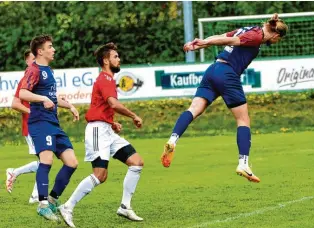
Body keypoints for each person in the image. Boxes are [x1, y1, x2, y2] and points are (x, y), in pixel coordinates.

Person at [161, 13, 288, 183]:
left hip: (213, 69)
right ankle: (243, 163)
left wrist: (200, 44)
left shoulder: (249, 29)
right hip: (227, 74)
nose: (275, 42)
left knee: (193, 109)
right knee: (243, 119)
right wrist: (205, 42)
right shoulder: (256, 36)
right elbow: (229, 41)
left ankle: (172, 140)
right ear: (276, 35)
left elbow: (222, 36)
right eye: (277, 40)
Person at [58, 42, 144, 228]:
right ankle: (67, 206)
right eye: (115, 56)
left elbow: (101, 107)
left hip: (106, 130)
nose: (119, 59)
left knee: (136, 162)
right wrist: (133, 116)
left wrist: (111, 122)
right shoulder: (105, 79)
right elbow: (112, 103)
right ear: (106, 61)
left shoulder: (108, 80)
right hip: (97, 131)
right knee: (100, 175)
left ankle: (125, 206)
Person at [19, 34, 80, 222]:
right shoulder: (34, 69)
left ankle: (52, 200)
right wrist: (42, 99)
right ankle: (43, 204)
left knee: (72, 162)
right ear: (40, 51)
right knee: (46, 160)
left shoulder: (49, 70)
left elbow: (52, 97)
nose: (54, 49)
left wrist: (69, 106)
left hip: (53, 123)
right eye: (50, 46)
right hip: (40, 122)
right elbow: (23, 93)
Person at [6, 49, 39, 204]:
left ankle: (15, 172)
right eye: (33, 59)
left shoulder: (37, 77)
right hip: (31, 126)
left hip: (39, 126)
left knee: (45, 161)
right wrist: (32, 112)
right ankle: (35, 196)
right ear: (27, 61)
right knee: (45, 161)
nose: (36, 62)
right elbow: (14, 103)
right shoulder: (25, 80)